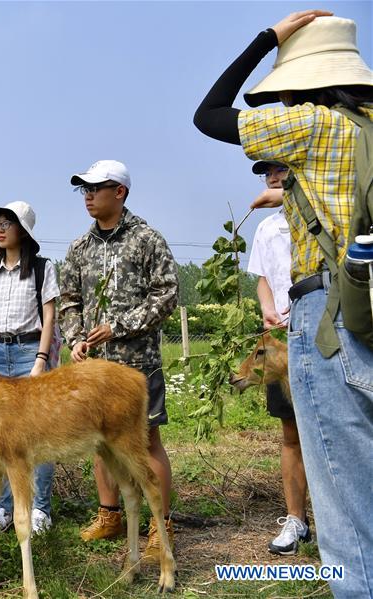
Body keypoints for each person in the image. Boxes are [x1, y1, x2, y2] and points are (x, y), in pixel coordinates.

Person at [194, 11, 373, 596]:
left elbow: (209, 114)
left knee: (346, 509)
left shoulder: (313, 126)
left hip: (331, 318)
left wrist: (266, 38)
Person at [57, 160, 178, 562]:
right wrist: (75, 339)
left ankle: (160, 526)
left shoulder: (146, 240)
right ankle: (109, 515)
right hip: (94, 368)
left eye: (96, 188)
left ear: (120, 192)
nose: (88, 195)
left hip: (137, 363)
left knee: (146, 441)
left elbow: (166, 295)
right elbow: (69, 302)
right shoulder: (79, 248)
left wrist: (119, 325)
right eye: (84, 189)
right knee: (99, 441)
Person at [0, 201, 60, 535]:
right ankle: (6, 508)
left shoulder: (41, 268)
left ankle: (39, 509)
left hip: (28, 352)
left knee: (38, 432)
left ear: (24, 230)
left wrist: (40, 358)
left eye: (8, 222)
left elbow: (49, 315)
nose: (1, 228)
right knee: (1, 437)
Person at [246, 160, 312, 556]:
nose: (272, 174)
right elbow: (263, 279)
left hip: (321, 331)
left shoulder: (320, 211)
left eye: (280, 166)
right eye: (266, 170)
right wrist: (267, 310)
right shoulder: (266, 227)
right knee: (290, 434)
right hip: (283, 339)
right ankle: (296, 520)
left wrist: (289, 197)